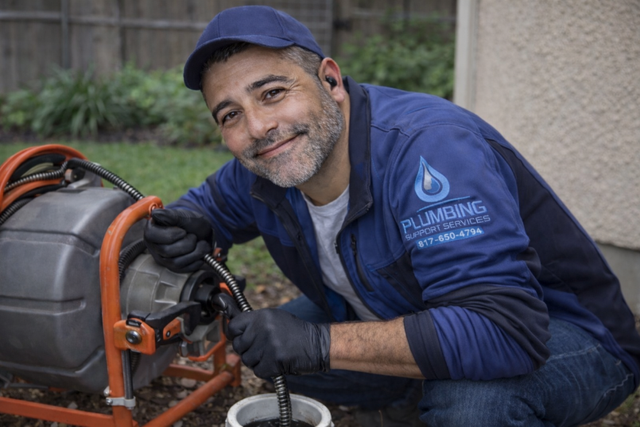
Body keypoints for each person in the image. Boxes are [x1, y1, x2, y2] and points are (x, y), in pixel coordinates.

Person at [144, 5, 640, 426]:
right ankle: (417, 391)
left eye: (272, 92)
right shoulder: (267, 166)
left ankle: (443, 398)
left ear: (330, 80)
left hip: (567, 333)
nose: (258, 127)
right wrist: (191, 225)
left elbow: (505, 330)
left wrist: (320, 343)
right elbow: (205, 209)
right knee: (275, 354)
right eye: (229, 114)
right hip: (408, 310)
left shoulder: (430, 150)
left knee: (470, 403)